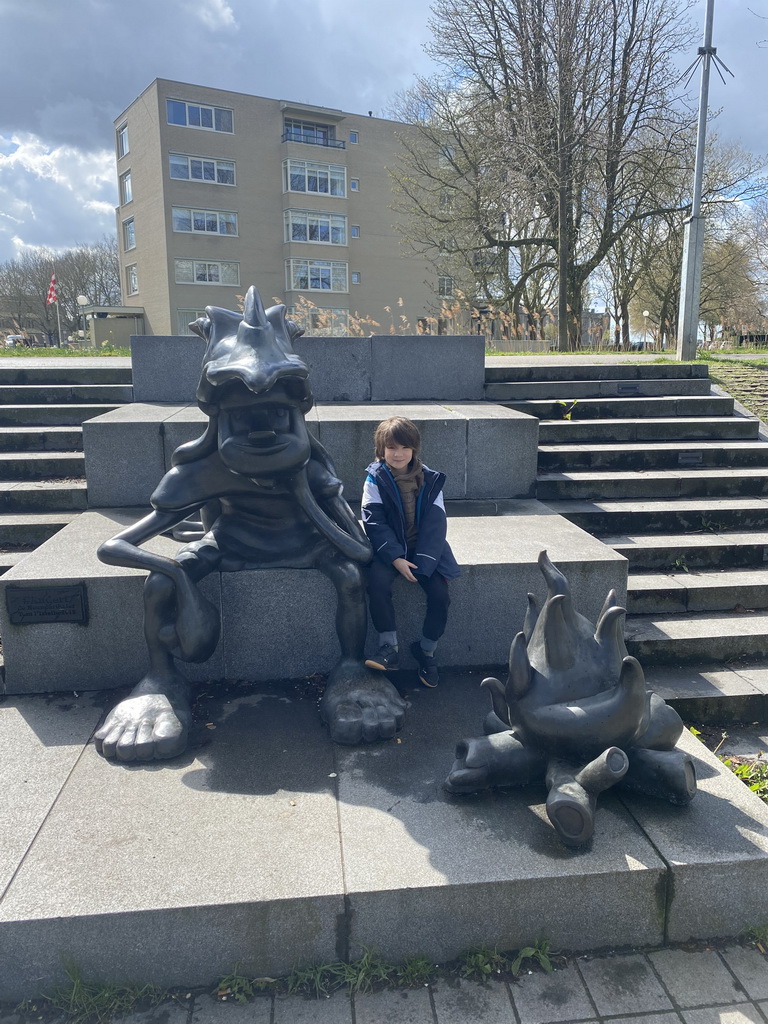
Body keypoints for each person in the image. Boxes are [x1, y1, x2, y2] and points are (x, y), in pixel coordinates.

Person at [361, 416, 460, 687]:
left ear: (414, 449)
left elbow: (435, 525)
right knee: (377, 584)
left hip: (424, 549)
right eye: (391, 448)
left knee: (440, 596)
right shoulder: (374, 479)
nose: (398, 454)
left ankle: (426, 650)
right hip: (390, 548)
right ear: (381, 450)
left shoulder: (430, 479)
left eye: (405, 447)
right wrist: (395, 558)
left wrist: (424, 566)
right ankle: (388, 647)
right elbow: (374, 521)